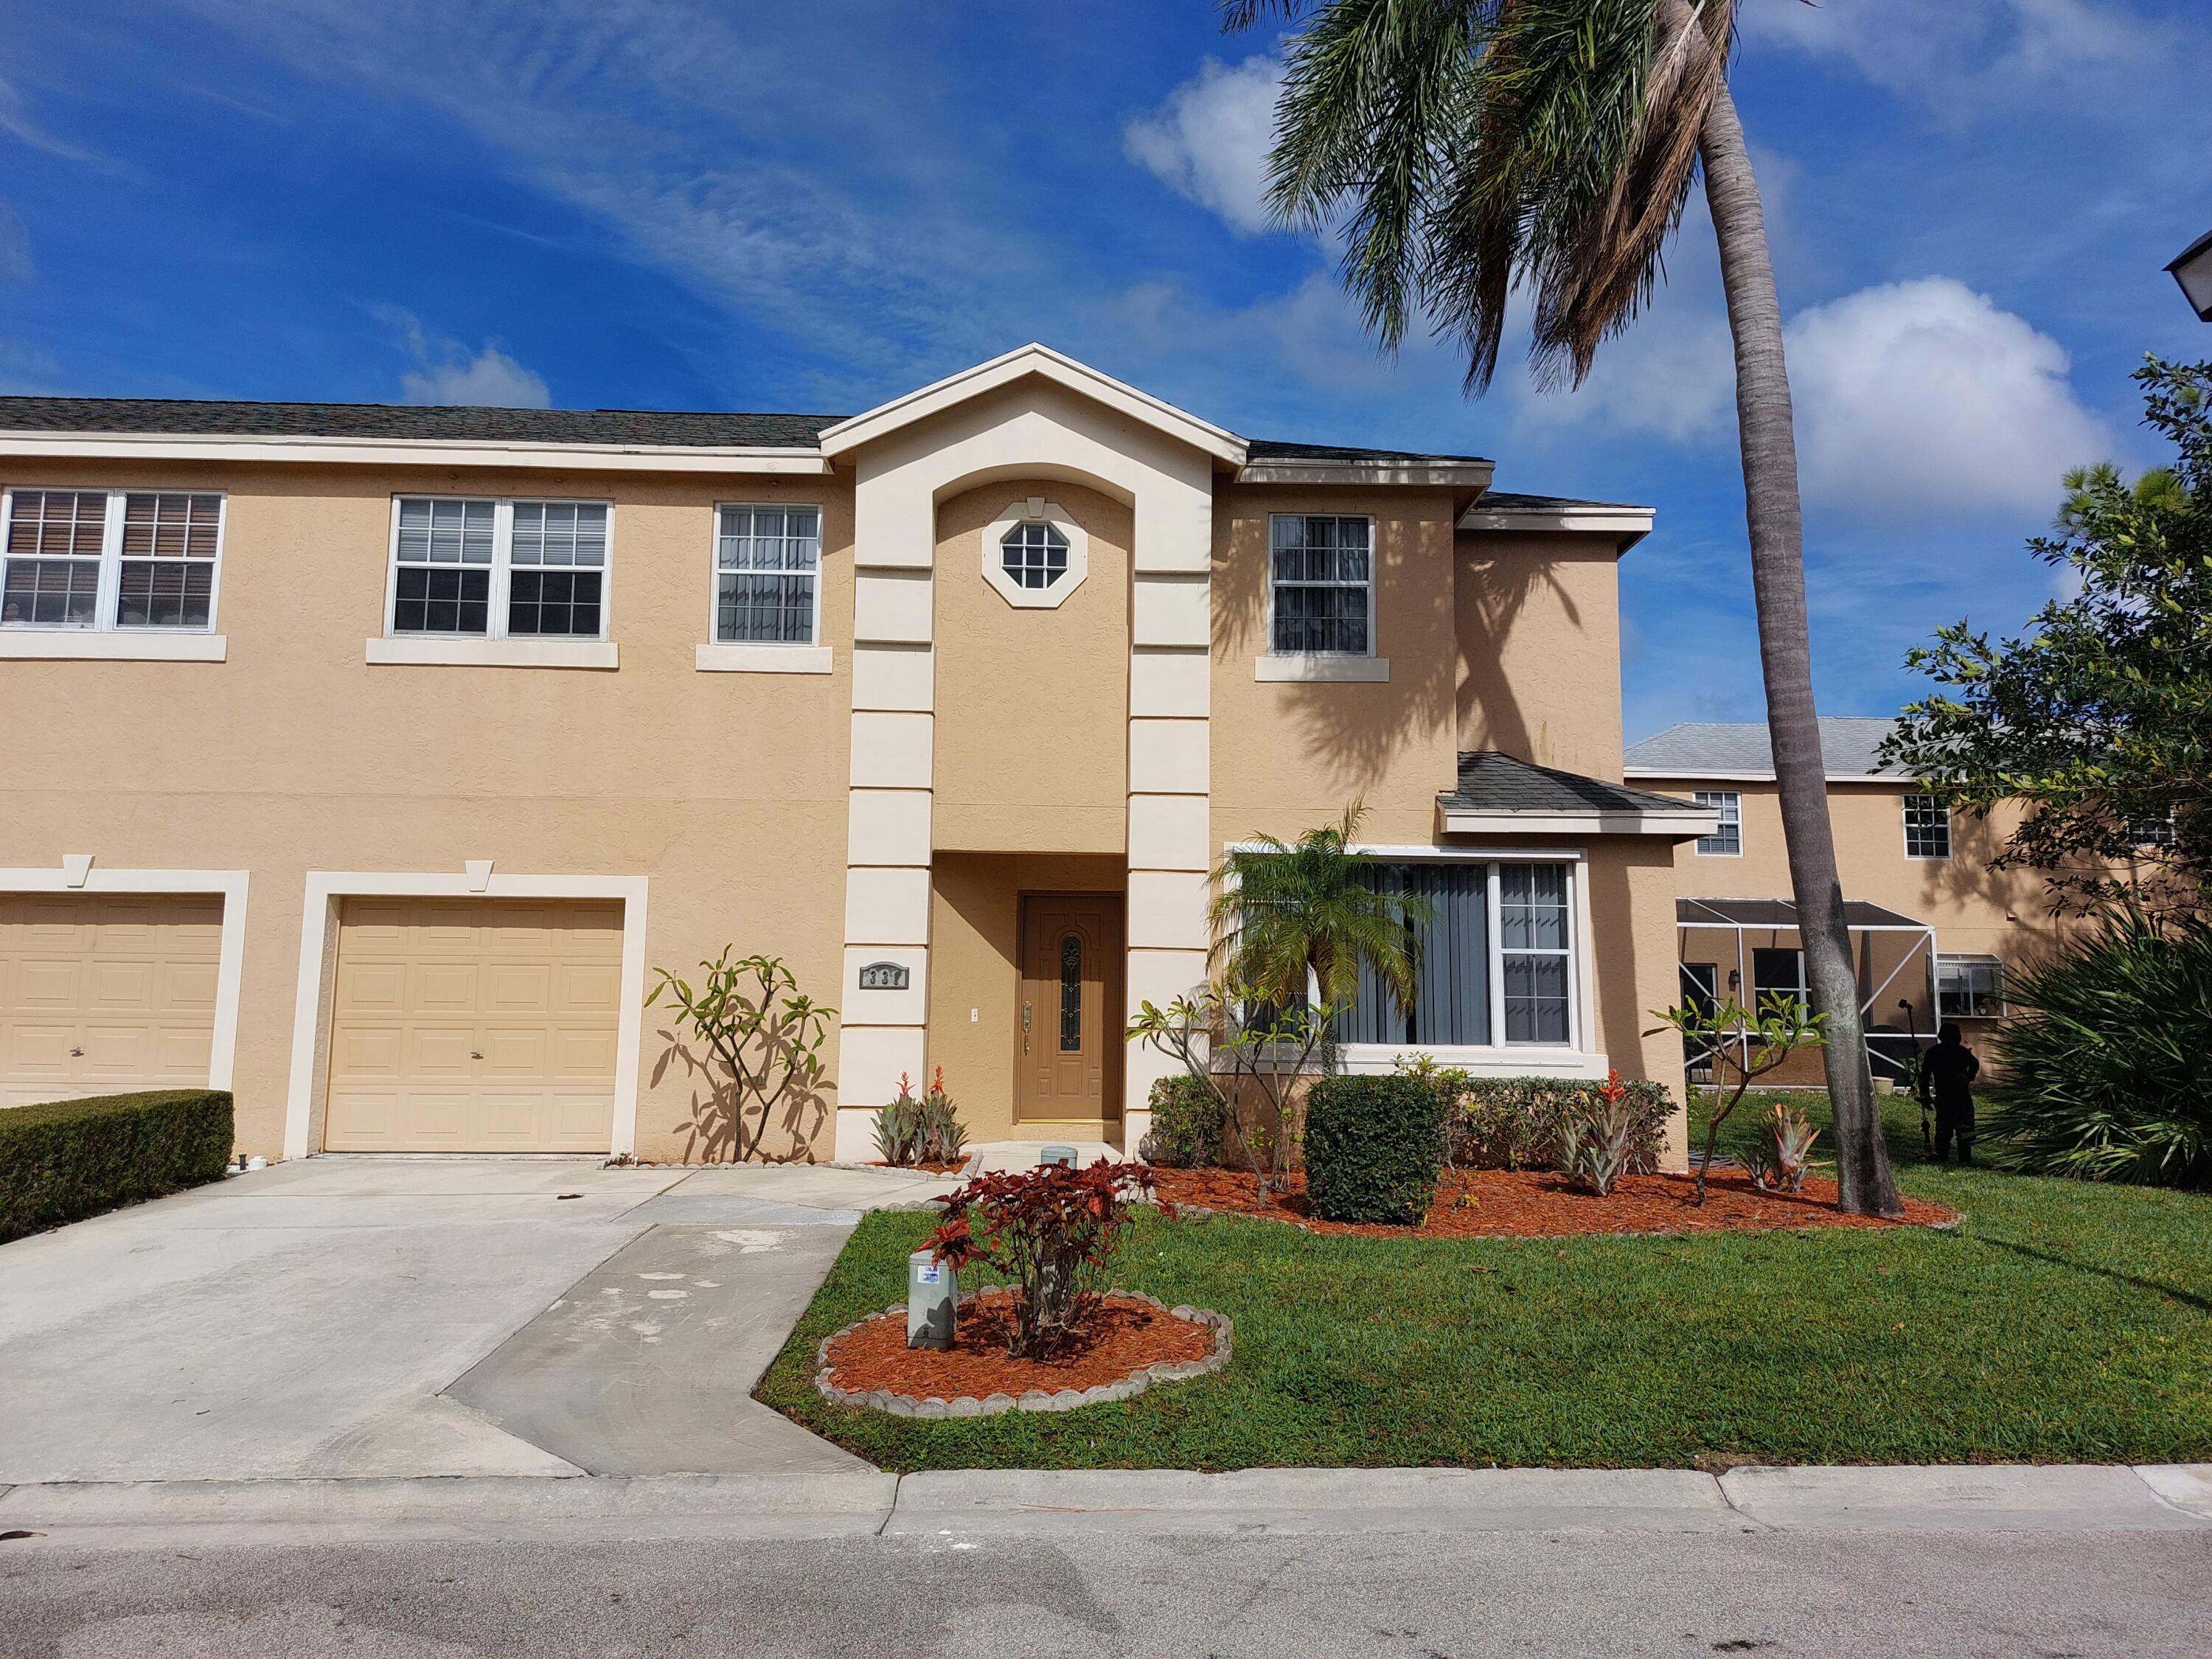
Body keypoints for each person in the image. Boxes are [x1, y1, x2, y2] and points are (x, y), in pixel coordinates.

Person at [1918, 1022, 1981, 1165]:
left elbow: (1925, 1076)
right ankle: (1963, 1160)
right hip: (1958, 1097)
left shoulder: (1934, 1052)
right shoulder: (1959, 1052)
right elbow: (1975, 1064)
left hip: (1947, 1097)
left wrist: (1925, 1094)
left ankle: (1943, 1157)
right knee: (1962, 1131)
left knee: (1945, 1129)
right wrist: (1968, 1076)